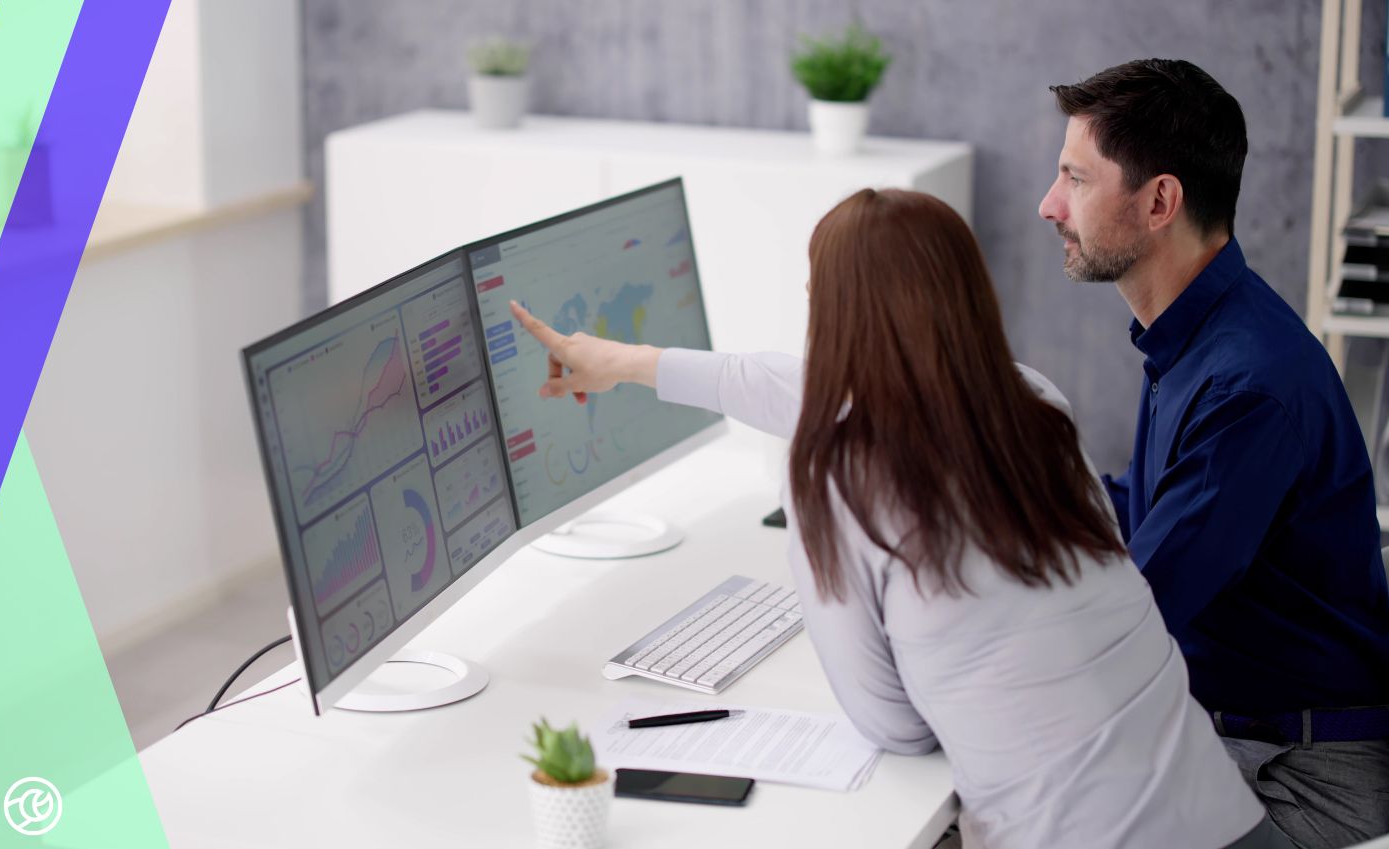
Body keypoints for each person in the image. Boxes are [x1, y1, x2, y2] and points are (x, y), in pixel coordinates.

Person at [509, 188, 1289, 849]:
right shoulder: (1033, 403)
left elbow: (896, 727)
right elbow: (800, 383)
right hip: (1222, 817)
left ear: (837, 317)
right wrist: (629, 363)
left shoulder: (838, 479)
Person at [1038, 58, 1389, 849]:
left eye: (1076, 179)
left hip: (1303, 772)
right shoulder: (1196, 335)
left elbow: (1131, 617)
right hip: (1244, 733)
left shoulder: (1246, 385)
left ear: (1160, 200)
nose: (1049, 204)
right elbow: (1141, 507)